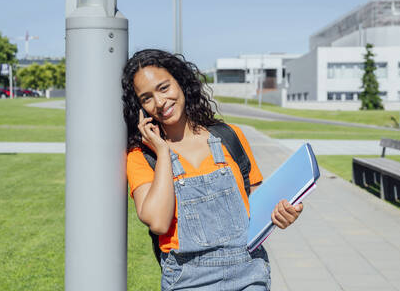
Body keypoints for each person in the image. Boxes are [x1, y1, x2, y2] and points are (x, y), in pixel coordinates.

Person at [122, 49, 303, 290]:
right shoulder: (142, 157)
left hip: (249, 273)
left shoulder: (230, 136)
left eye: (164, 88)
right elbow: (158, 222)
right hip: (187, 281)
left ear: (181, 82)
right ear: (141, 108)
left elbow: (261, 205)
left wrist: (282, 213)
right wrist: (163, 151)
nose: (160, 102)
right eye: (146, 98)